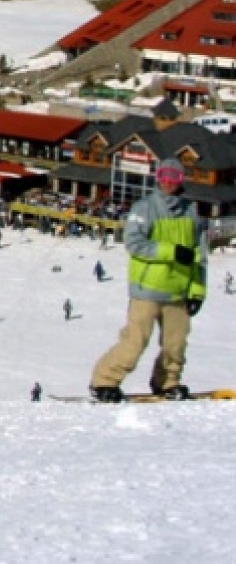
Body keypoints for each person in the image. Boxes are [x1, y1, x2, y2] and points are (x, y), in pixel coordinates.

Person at [89, 158, 210, 402]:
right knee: (135, 341)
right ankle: (104, 381)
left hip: (178, 291)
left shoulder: (190, 212)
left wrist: (196, 292)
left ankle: (167, 382)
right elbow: (134, 244)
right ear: (157, 178)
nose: (168, 182)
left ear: (181, 180)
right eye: (164, 176)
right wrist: (171, 251)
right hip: (147, 290)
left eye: (173, 177)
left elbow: (199, 256)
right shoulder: (144, 208)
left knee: (175, 346)